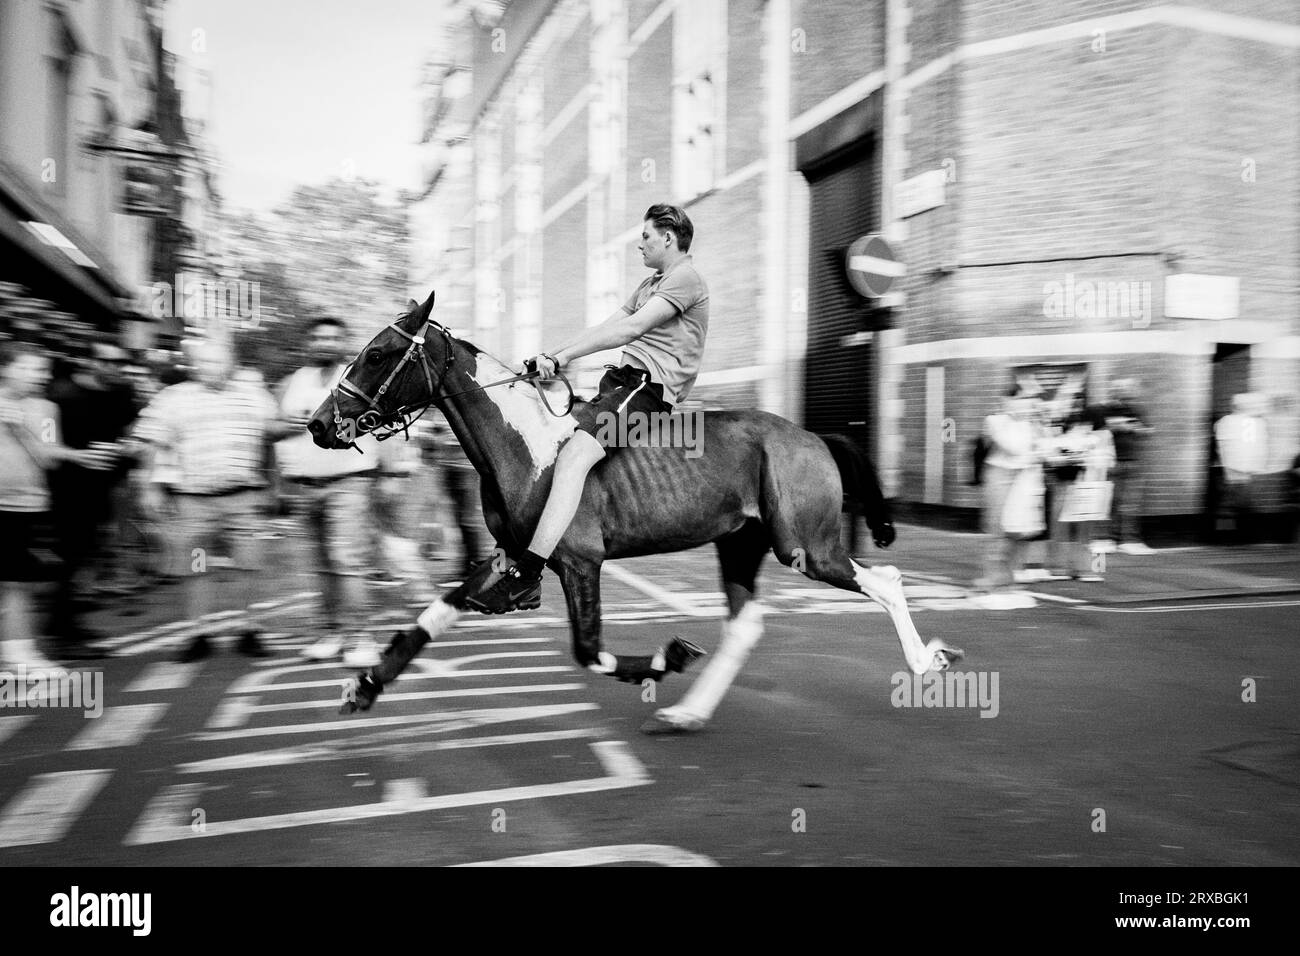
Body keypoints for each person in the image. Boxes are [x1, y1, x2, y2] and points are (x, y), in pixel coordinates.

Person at [452, 204, 709, 615]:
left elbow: (629, 330)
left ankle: (527, 574)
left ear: (668, 237)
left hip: (648, 391)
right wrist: (552, 356)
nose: (639, 242)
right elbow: (605, 327)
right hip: (622, 383)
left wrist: (564, 357)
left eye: (646, 235)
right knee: (554, 442)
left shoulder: (686, 278)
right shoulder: (649, 284)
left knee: (573, 457)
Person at [124, 340, 277, 662]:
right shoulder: (173, 398)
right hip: (193, 503)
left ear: (231, 362)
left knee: (248, 565)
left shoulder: (255, 397)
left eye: (217, 361)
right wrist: (149, 488)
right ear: (194, 365)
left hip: (244, 499)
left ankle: (248, 628)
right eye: (203, 362)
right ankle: (198, 633)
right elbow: (151, 442)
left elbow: (271, 438)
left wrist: (273, 486)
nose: (209, 368)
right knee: (196, 568)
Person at [271, 316, 394, 665]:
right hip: (304, 486)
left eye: (332, 338)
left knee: (348, 562)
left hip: (349, 483)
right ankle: (332, 633)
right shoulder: (291, 382)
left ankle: (360, 638)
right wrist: (285, 426)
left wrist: (388, 476)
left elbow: (384, 429)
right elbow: (271, 429)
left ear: (342, 343)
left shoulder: (359, 379)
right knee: (320, 565)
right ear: (309, 343)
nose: (325, 343)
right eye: (318, 338)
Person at [1, 341, 115, 669]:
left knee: (17, 582)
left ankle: (19, 655)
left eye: (42, 370)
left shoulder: (46, 409)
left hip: (26, 506)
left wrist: (22, 429)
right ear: (6, 368)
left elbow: (49, 455)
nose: (40, 376)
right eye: (30, 368)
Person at [45, 342, 138, 654]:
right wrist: (79, 456)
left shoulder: (121, 394)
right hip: (64, 491)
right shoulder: (59, 395)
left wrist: (126, 448)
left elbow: (131, 432)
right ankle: (62, 634)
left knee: (84, 556)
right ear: (87, 361)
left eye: (119, 362)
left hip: (102, 489)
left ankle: (65, 624)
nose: (114, 367)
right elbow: (45, 444)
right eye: (105, 361)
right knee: (68, 558)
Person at [974, 384, 1048, 594]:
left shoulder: (1029, 423)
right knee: (998, 529)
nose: (1022, 404)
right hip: (1000, 475)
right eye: (1017, 399)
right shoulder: (995, 421)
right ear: (1005, 401)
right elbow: (1012, 447)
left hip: (1023, 478)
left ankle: (1010, 576)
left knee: (1018, 530)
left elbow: (1043, 448)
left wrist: (1034, 428)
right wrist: (1023, 425)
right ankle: (992, 577)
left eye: (1024, 399)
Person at [1045, 406, 1115, 581]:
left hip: (1083, 486)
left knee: (1066, 529)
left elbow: (1108, 461)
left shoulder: (1098, 438)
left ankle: (1062, 568)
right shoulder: (1096, 438)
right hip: (1090, 487)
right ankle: (1091, 569)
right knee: (1089, 532)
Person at [1099, 378, 1154, 554]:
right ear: (1113, 391)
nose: (1125, 391)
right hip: (1111, 462)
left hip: (1134, 461)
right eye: (1120, 388)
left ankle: (1129, 540)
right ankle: (1108, 539)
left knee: (1132, 503)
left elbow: (1149, 431)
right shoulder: (1105, 409)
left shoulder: (1137, 410)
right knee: (1111, 502)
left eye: (1128, 388)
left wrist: (1133, 428)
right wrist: (1113, 427)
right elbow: (1096, 431)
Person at [1214, 392, 1270, 544]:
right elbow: (1256, 446)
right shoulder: (1254, 422)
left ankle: (1225, 536)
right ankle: (1240, 536)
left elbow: (1222, 446)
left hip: (1230, 468)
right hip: (1244, 469)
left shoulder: (1226, 421)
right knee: (1240, 503)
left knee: (1227, 505)